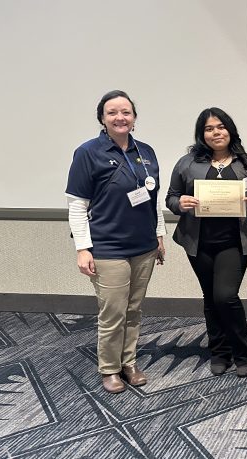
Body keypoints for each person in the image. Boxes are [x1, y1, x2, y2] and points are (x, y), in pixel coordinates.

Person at [66, 90, 166, 394]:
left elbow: (152, 198)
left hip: (144, 246)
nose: (120, 117)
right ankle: (109, 368)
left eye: (126, 112)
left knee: (134, 309)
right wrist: (83, 248)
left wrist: (159, 235)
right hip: (108, 248)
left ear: (134, 118)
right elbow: (76, 205)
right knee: (113, 311)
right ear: (102, 118)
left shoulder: (145, 152)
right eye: (112, 113)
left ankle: (129, 362)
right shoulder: (88, 152)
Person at [166, 108, 247, 378]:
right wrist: (181, 203)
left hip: (234, 242)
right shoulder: (187, 163)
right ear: (202, 135)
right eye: (209, 129)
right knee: (211, 299)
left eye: (221, 127)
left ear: (230, 130)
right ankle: (219, 352)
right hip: (197, 242)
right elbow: (171, 197)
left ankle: (243, 351)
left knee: (225, 296)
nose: (216, 133)